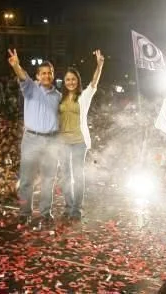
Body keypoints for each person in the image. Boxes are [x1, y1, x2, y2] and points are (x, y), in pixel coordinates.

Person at [7, 48, 61, 226]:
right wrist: (16, 65)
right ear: (37, 76)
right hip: (31, 139)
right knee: (27, 179)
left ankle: (45, 213)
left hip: (52, 141)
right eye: (43, 73)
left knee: (48, 180)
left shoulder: (59, 96)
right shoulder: (30, 88)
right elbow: (22, 75)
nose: (46, 76)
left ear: (53, 75)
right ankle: (24, 213)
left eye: (49, 73)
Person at [58, 49, 104, 221]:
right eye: (67, 79)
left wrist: (99, 66)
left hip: (79, 142)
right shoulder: (60, 99)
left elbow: (93, 84)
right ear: (64, 81)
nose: (70, 82)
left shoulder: (84, 96)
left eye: (73, 79)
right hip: (63, 142)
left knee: (77, 175)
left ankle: (76, 209)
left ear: (77, 81)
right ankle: (68, 206)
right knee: (65, 176)